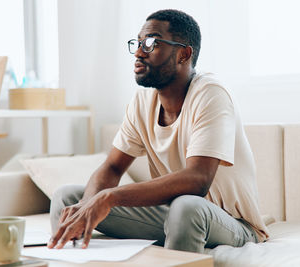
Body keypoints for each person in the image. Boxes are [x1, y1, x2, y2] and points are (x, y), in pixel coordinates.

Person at [48, 9, 269, 253]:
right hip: (172, 215)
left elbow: (198, 180)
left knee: (187, 208)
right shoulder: (142, 102)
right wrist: (88, 204)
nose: (139, 52)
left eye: (151, 43)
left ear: (183, 54)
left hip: (231, 223)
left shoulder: (211, 95)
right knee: (67, 200)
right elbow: (113, 167)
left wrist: (110, 197)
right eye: (138, 43)